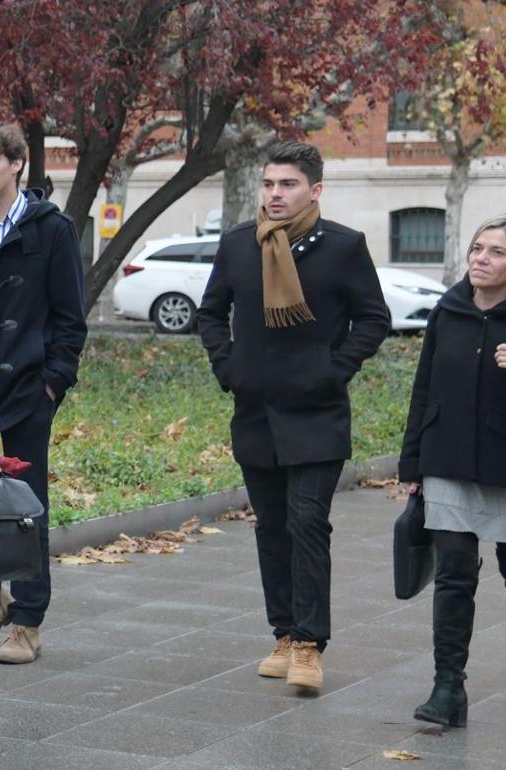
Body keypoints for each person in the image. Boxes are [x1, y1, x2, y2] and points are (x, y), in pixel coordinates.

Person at [197, 140, 390, 692]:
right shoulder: (239, 244)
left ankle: (309, 644)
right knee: (272, 528)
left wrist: (334, 369)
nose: (275, 194)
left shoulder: (343, 247)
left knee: (308, 523)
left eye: (287, 185)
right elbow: (212, 313)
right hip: (255, 412)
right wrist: (229, 366)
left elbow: (373, 319)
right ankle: (282, 633)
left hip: (317, 413)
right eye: (268, 184)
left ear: (315, 190)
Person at [399, 214, 506, 727]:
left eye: (495, 252)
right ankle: (448, 689)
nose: (480, 259)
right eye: (477, 249)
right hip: (447, 458)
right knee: (454, 574)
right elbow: (424, 389)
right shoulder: (448, 310)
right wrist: (413, 463)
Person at [0, 123, 86, 665]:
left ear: (18, 163)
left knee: (28, 506)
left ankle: (28, 619)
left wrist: (52, 383)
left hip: (28, 387)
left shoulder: (50, 228)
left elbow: (70, 319)